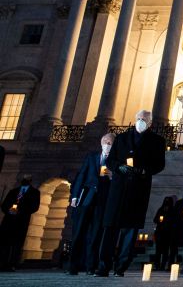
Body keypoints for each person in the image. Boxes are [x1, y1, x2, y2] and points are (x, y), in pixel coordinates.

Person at [96, 109, 166, 277]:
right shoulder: (121, 138)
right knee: (110, 228)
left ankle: (121, 266)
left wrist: (143, 171)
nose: (141, 121)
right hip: (119, 188)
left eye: (144, 119)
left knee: (130, 229)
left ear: (149, 123)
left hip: (138, 189)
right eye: (139, 118)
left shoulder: (157, 141)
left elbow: (159, 165)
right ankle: (103, 265)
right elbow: (110, 160)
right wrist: (119, 167)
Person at [67, 133, 114, 275]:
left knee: (95, 236)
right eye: (105, 141)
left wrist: (112, 176)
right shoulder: (91, 156)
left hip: (102, 201)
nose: (107, 144)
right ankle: (73, 266)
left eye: (110, 142)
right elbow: (81, 175)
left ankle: (90, 266)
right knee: (78, 233)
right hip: (86, 198)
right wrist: (75, 196)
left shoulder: (115, 160)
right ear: (101, 143)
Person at [0, 175, 41, 271]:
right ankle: (2, 263)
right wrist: (8, 210)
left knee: (17, 244)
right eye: (23, 179)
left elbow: (35, 207)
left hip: (21, 221)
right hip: (9, 221)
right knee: (5, 243)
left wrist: (21, 211)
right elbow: (4, 205)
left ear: (30, 181)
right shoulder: (13, 191)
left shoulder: (35, 192)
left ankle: (12, 264)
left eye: (26, 179)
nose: (24, 180)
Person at [153, 196, 178, 271]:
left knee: (165, 250)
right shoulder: (160, 210)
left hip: (168, 233)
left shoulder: (172, 211)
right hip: (160, 232)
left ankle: (162, 265)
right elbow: (155, 220)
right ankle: (157, 265)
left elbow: (174, 222)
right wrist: (160, 220)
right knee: (158, 250)